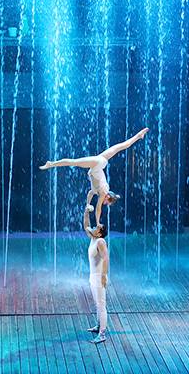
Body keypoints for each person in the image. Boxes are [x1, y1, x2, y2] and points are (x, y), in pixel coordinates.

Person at [39, 127, 149, 226]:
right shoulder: (103, 193)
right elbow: (98, 208)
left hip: (100, 162)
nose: (105, 204)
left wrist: (87, 204)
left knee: (121, 146)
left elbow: (90, 193)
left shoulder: (97, 191)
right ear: (108, 198)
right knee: (74, 162)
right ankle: (51, 164)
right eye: (107, 203)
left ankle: (139, 136)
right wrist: (98, 223)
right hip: (97, 164)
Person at [83, 203, 110, 344]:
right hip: (93, 277)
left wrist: (104, 276)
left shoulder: (100, 241)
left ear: (99, 233)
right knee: (97, 303)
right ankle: (99, 326)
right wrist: (86, 212)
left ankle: (102, 334)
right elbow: (86, 225)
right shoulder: (93, 238)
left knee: (101, 304)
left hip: (99, 277)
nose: (94, 227)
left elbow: (106, 258)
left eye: (97, 227)